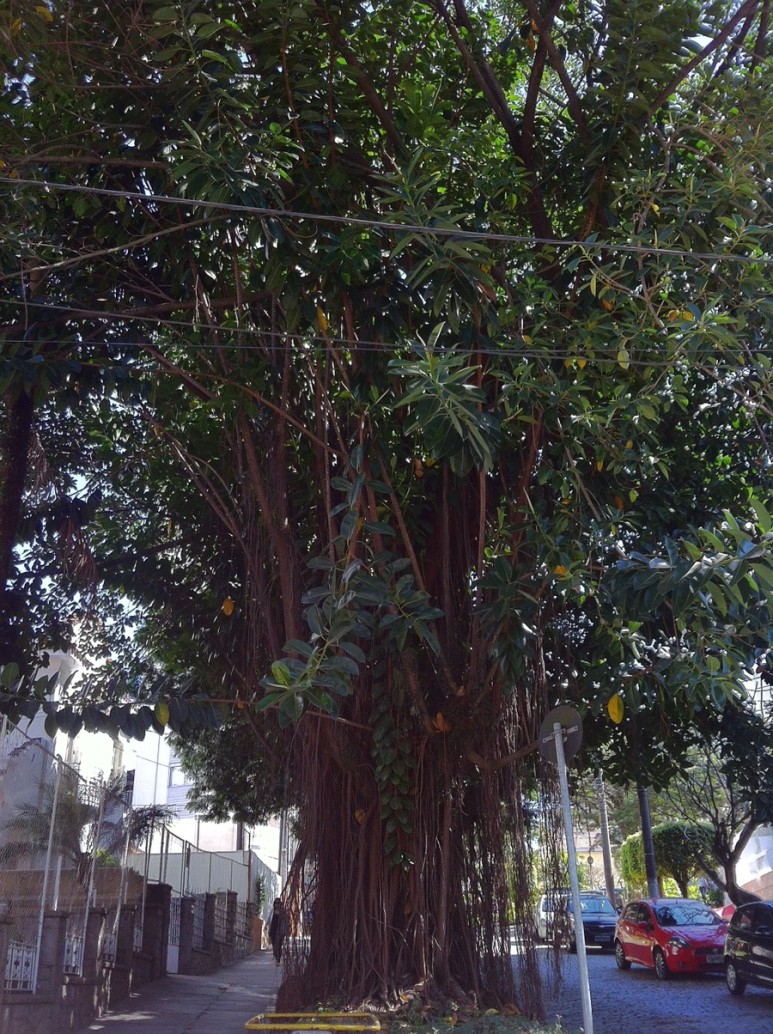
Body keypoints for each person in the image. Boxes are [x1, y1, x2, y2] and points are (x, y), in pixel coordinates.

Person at [268, 898, 287, 964]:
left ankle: (278, 959)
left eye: (278, 903)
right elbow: (269, 920)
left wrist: (285, 930)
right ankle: (276, 957)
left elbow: (285, 922)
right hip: (273, 930)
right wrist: (267, 928)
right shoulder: (272, 911)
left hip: (280, 931)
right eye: (275, 903)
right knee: (274, 945)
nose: (277, 904)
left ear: (280, 904)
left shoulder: (283, 912)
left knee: (279, 945)